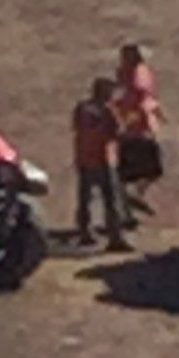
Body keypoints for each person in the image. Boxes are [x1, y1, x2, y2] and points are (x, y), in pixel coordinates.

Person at [71, 76, 132, 250]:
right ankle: (115, 238)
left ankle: (84, 232)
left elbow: (76, 128)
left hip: (84, 157)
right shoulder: (107, 110)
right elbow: (117, 131)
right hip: (103, 158)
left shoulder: (81, 108)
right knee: (111, 201)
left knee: (85, 199)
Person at [113, 41, 164, 214]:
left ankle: (132, 199)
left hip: (136, 127)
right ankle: (129, 204)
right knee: (143, 169)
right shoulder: (133, 79)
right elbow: (135, 100)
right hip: (137, 130)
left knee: (146, 170)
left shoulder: (135, 74)